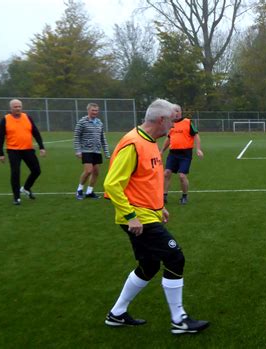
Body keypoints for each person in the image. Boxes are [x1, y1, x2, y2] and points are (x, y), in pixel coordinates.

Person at [103, 98, 209, 334]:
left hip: (148, 213)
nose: (172, 127)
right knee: (175, 257)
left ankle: (117, 313)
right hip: (137, 217)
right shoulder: (133, 143)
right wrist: (131, 216)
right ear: (161, 120)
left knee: (149, 265)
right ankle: (179, 320)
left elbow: (145, 180)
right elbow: (111, 184)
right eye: (171, 122)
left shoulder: (150, 142)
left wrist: (159, 206)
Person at [0, 99, 46, 205]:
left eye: (19, 106)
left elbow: (36, 133)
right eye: (15, 107)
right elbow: (0, 138)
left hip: (28, 149)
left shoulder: (27, 117)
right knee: (15, 173)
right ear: (11, 108)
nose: (18, 108)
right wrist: (0, 153)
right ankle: (16, 197)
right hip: (13, 151)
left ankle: (26, 188)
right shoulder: (5, 119)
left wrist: (41, 147)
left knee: (36, 170)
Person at [160, 105, 203, 205]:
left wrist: (198, 149)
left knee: (182, 176)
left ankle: (184, 196)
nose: (175, 113)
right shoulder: (171, 124)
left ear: (180, 112)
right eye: (173, 111)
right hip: (173, 153)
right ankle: (164, 196)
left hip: (185, 154)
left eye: (177, 111)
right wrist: (162, 150)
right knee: (166, 173)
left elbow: (196, 135)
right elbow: (169, 138)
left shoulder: (188, 122)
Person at [73, 103, 110, 199]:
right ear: (88, 110)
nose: (95, 112)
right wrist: (78, 150)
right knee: (88, 171)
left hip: (97, 151)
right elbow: (76, 137)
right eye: (93, 110)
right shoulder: (82, 122)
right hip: (86, 150)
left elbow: (103, 138)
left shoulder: (99, 123)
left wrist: (106, 152)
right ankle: (79, 190)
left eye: (96, 110)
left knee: (96, 172)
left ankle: (89, 192)